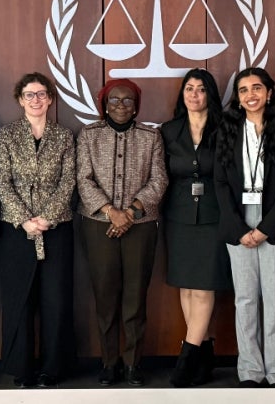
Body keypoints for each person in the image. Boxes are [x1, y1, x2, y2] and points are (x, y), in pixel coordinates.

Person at [214, 67, 275, 388]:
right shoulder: (227, 129)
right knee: (246, 300)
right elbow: (220, 183)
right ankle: (250, 370)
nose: (250, 95)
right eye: (243, 90)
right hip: (238, 221)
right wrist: (240, 229)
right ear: (237, 98)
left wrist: (265, 229)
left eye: (256, 88)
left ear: (268, 93)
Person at [76, 79, 167, 387]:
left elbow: (159, 180)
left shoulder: (151, 136)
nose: (120, 106)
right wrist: (110, 212)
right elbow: (83, 179)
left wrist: (130, 213)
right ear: (104, 103)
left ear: (137, 105)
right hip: (98, 226)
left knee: (135, 297)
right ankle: (109, 362)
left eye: (128, 101)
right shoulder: (89, 135)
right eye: (114, 100)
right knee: (104, 296)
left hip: (139, 227)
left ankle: (132, 364)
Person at [0, 73, 76, 388]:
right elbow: (2, 179)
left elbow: (69, 180)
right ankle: (22, 368)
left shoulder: (64, 135)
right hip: (17, 229)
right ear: (20, 99)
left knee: (55, 298)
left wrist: (47, 218)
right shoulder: (7, 135)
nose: (36, 100)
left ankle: (52, 368)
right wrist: (25, 219)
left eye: (42, 94)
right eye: (29, 94)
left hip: (57, 229)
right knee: (21, 298)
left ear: (50, 99)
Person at [160, 68, 231, 387]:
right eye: (189, 88)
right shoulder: (168, 130)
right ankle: (204, 357)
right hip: (178, 215)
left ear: (210, 95)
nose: (194, 94)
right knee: (186, 288)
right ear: (182, 94)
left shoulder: (227, 127)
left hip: (215, 214)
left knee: (204, 288)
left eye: (201, 89)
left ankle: (186, 358)